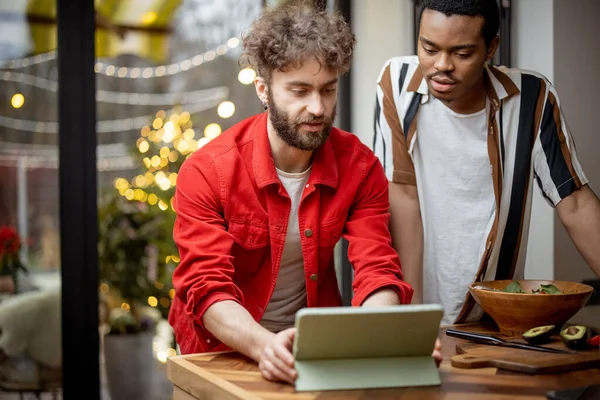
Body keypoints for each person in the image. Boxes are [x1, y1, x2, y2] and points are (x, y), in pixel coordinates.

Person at [168, 1, 442, 385]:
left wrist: (385, 335)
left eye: (327, 90)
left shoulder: (359, 167)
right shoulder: (207, 171)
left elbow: (376, 268)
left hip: (311, 346)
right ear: (263, 89)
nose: (317, 107)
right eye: (299, 90)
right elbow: (205, 286)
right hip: (219, 347)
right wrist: (266, 346)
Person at [373, 0, 600, 327]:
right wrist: (413, 316)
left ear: (491, 46)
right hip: (418, 301)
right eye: (429, 48)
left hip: (498, 318)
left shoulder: (530, 98)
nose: (442, 66)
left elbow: (575, 202)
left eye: (462, 54)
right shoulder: (396, 82)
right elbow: (401, 194)